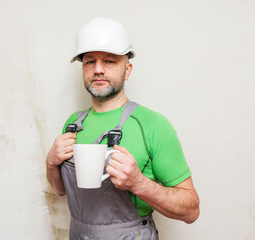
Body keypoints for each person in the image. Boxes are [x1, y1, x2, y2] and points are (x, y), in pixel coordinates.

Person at [46, 17, 200, 240]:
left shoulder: (153, 125)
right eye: (90, 61)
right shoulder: (73, 124)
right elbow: (60, 190)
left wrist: (139, 184)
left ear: (127, 70)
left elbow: (191, 210)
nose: (98, 69)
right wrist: (51, 163)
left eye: (109, 61)